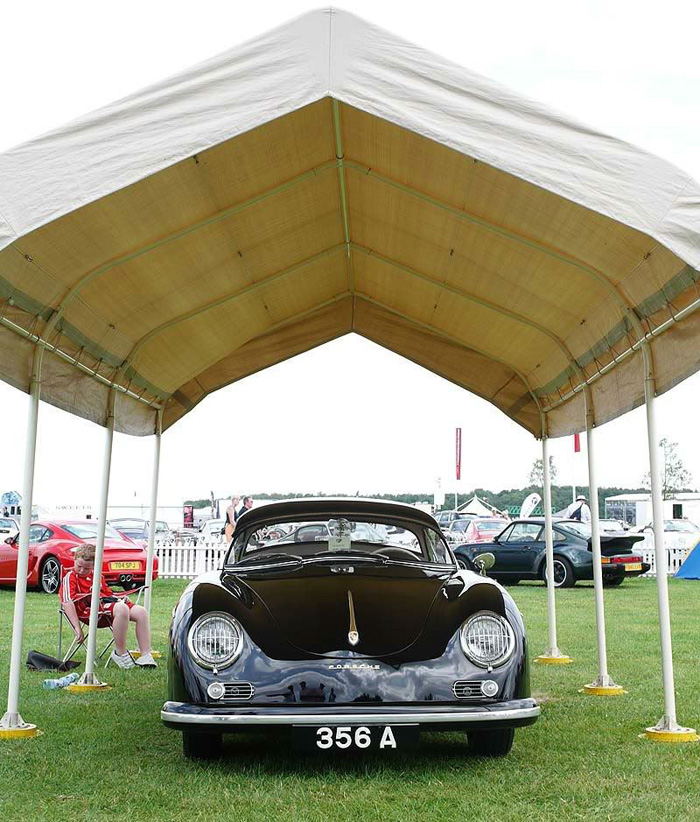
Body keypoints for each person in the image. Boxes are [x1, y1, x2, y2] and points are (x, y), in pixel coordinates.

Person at [59, 543, 156, 669]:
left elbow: (107, 594)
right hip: (86, 611)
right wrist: (77, 628)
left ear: (94, 566)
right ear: (74, 560)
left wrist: (120, 598)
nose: (82, 570)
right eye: (79, 566)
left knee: (141, 612)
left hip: (104, 607)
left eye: (87, 568)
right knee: (122, 609)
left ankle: (145, 654)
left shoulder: (97, 576)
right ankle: (120, 653)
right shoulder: (70, 578)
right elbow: (67, 602)